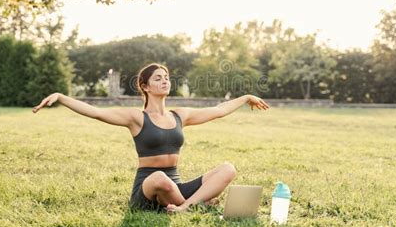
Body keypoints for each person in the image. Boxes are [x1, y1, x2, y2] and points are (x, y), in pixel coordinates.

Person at [32, 62, 270, 213]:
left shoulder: (180, 115)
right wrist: (62, 97)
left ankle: (185, 206)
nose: (165, 80)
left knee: (227, 169)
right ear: (145, 86)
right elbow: (96, 112)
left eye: (166, 76)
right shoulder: (136, 118)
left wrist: (246, 97)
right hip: (148, 189)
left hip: (175, 187)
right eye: (158, 78)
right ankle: (197, 204)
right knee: (159, 178)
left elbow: (218, 111)